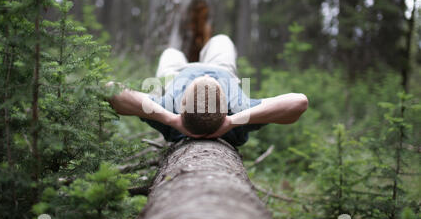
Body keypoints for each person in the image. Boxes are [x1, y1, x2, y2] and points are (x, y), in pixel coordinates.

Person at [106, 34, 308, 147]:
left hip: (177, 74)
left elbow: (110, 90)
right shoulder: (239, 113)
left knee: (170, 52)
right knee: (221, 40)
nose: (205, 77)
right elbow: (299, 102)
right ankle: (205, 46)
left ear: (182, 106)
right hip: (221, 68)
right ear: (226, 107)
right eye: (210, 82)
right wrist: (231, 122)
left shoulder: (168, 111)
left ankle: (186, 50)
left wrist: (170, 119)